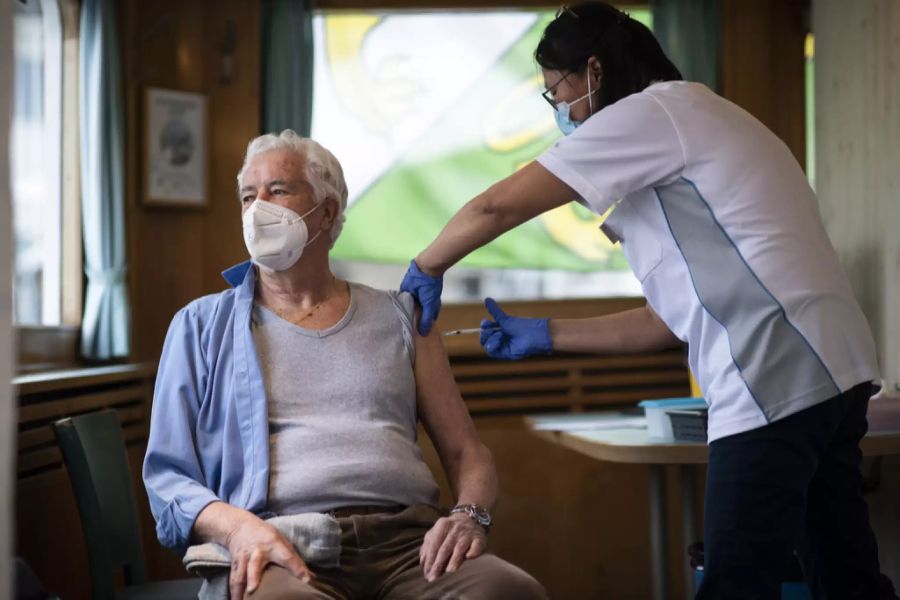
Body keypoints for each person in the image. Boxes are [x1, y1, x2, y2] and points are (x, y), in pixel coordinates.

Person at [399, 3, 899, 599]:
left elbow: (495, 206)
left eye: (555, 93)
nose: (558, 111)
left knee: (738, 584)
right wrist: (548, 333)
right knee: (848, 581)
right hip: (833, 372)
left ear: (593, 70)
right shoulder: (698, 123)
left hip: (775, 374)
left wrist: (427, 265)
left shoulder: (651, 113)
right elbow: (669, 320)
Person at [143, 130, 547, 600]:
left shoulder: (402, 315)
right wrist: (238, 531)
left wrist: (468, 515)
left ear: (327, 211)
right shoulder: (199, 326)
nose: (258, 209)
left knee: (511, 592)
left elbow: (467, 453)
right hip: (281, 544)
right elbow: (168, 479)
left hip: (408, 546)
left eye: (277, 190)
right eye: (247, 196)